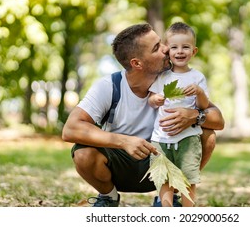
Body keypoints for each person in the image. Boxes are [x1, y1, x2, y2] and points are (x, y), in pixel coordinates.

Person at [62, 23, 225, 207]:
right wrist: (124, 141)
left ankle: (170, 197)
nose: (166, 49)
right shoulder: (109, 86)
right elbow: (70, 129)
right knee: (83, 153)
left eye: (161, 43)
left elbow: (218, 120)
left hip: (164, 157)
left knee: (207, 135)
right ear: (137, 63)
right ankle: (108, 197)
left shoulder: (174, 81)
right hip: (120, 166)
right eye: (157, 47)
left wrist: (195, 116)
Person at [148, 22, 209, 207]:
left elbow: (203, 106)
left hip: (188, 138)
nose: (180, 51)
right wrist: (155, 99)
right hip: (161, 138)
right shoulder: (163, 76)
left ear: (194, 51)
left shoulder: (197, 77)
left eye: (185, 47)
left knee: (188, 178)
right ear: (168, 51)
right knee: (164, 178)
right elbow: (151, 99)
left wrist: (199, 92)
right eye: (174, 47)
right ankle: (167, 210)